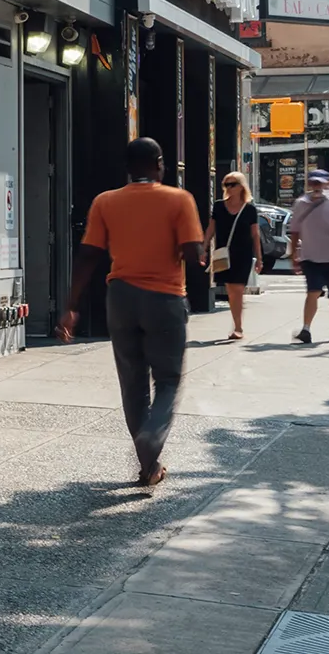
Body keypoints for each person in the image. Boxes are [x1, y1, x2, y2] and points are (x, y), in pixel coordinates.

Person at [57, 137, 202, 488]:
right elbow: (193, 253)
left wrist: (72, 306)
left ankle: (149, 468)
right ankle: (152, 435)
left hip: (120, 298)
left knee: (133, 384)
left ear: (127, 168)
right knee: (167, 380)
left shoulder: (106, 202)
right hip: (164, 299)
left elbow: (88, 255)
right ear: (159, 163)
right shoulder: (179, 200)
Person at [289, 169, 329, 344]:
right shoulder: (301, 204)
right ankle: (306, 329)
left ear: (328, 184)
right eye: (313, 183)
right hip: (310, 257)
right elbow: (295, 231)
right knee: (313, 291)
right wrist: (293, 254)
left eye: (320, 183)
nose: (316, 187)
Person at [213, 172, 263, 342]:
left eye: (232, 184)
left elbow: (255, 235)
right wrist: (203, 248)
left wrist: (259, 258)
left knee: (238, 290)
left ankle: (238, 327)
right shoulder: (218, 206)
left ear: (241, 186)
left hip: (243, 253)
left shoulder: (249, 209)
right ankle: (237, 324)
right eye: (226, 184)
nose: (229, 188)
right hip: (224, 254)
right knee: (230, 290)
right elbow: (210, 230)